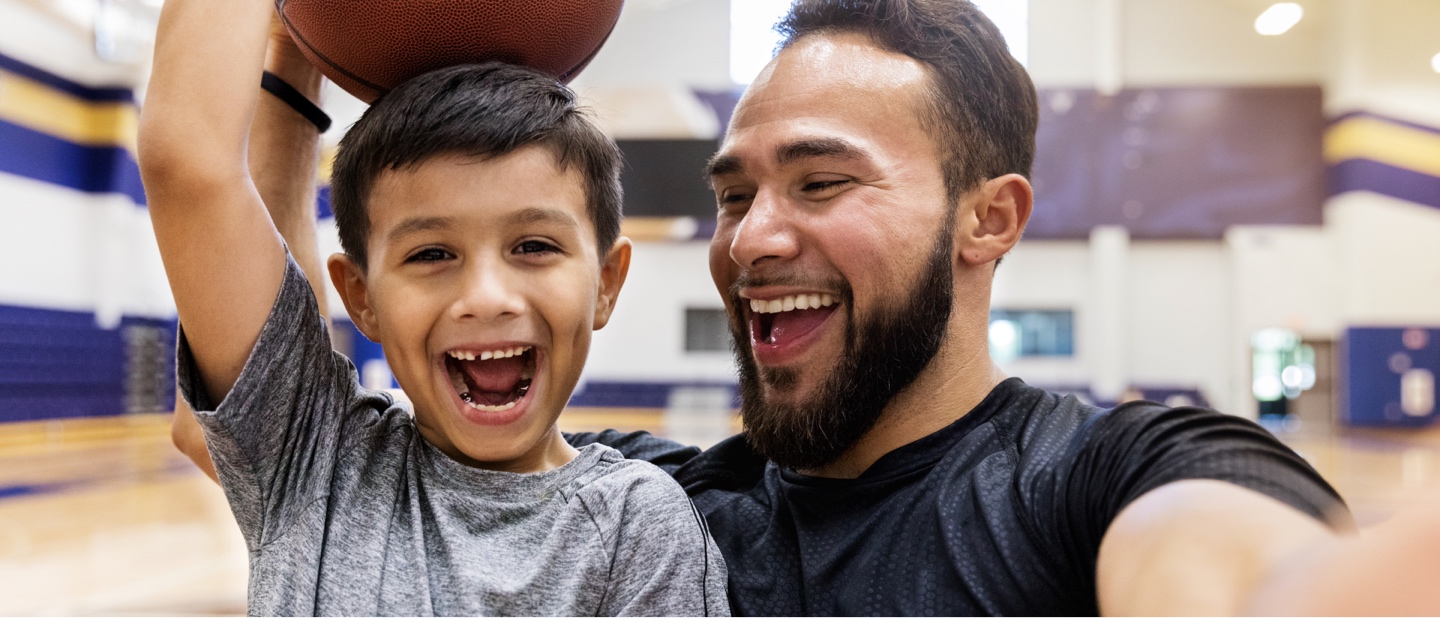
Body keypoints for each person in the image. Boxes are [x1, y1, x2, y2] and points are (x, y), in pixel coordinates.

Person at [173, 0, 1440, 615]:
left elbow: (1235, 573)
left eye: (822, 180)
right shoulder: (654, 500)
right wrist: (303, 67)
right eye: (734, 194)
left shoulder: (1102, 476)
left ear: (988, 219)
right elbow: (269, 399)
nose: (755, 235)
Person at [138, 0, 728, 614]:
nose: (486, 298)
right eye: (431, 255)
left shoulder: (639, 525)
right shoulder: (317, 457)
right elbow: (189, 161)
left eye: (533, 246)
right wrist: (292, 47)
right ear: (360, 298)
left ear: (606, 282)